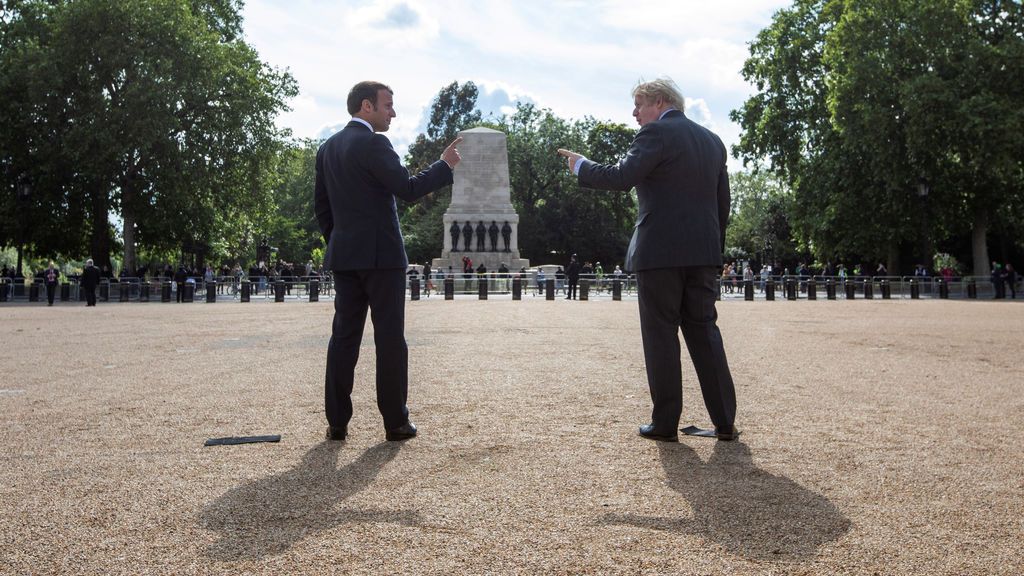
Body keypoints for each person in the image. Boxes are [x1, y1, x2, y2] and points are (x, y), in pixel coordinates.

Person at [557, 77, 738, 442]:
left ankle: (665, 423)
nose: (635, 113)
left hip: (660, 254)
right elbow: (723, 205)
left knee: (661, 337)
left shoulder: (655, 134)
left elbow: (622, 177)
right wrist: (713, 250)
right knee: (706, 334)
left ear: (659, 101)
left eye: (639, 104)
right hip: (703, 253)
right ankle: (724, 422)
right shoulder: (713, 141)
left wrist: (582, 166)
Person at [314, 80, 462, 442]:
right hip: (382, 258)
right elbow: (408, 189)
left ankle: (337, 421)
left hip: (345, 256)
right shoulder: (374, 143)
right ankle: (395, 421)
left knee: (343, 339)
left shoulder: (327, 148)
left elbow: (322, 207)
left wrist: (340, 241)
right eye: (388, 106)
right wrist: (443, 166)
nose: (393, 113)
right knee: (390, 340)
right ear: (367, 107)